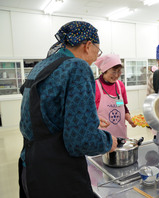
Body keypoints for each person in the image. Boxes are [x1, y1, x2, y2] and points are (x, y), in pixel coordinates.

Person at [18, 21, 118, 198]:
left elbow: (49, 112)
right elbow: (81, 141)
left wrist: (90, 118)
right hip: (57, 173)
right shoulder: (77, 67)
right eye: (97, 51)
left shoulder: (43, 66)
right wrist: (109, 142)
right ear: (88, 45)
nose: (96, 58)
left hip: (30, 165)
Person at [94, 54, 136, 138]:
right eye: (113, 71)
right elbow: (89, 110)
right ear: (104, 70)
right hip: (103, 134)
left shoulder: (120, 85)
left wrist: (129, 119)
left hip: (120, 133)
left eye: (119, 71)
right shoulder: (95, 86)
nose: (116, 75)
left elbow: (122, 105)